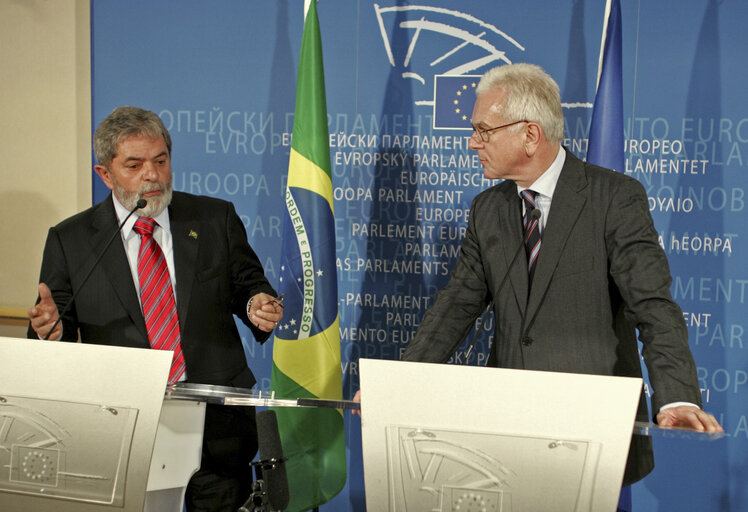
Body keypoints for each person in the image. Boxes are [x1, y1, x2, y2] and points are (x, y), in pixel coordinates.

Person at [355, 63, 722, 486]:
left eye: (484, 131)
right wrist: (402, 385)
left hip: (592, 431)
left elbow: (653, 307)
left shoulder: (614, 199)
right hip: (508, 428)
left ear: (530, 135)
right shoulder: (488, 210)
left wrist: (676, 395)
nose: (473, 143)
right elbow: (455, 306)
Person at [27, 106, 283, 512]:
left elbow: (249, 285)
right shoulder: (70, 240)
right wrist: (50, 331)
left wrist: (257, 303)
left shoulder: (215, 217)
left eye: (160, 161)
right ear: (105, 174)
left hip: (215, 427)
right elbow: (54, 321)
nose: (153, 174)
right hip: (123, 425)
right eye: (135, 164)